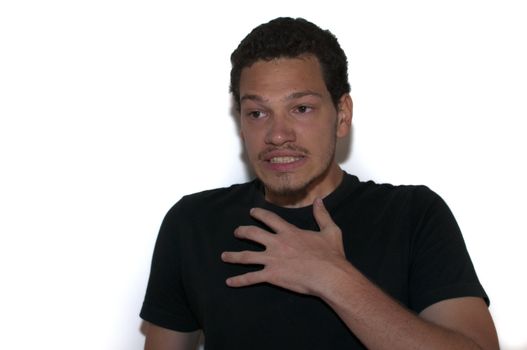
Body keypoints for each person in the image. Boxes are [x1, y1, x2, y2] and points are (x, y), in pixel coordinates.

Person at [140, 17, 499, 349]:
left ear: (342, 115)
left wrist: (332, 278)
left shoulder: (413, 215)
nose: (278, 135)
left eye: (302, 108)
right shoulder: (192, 223)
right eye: (257, 113)